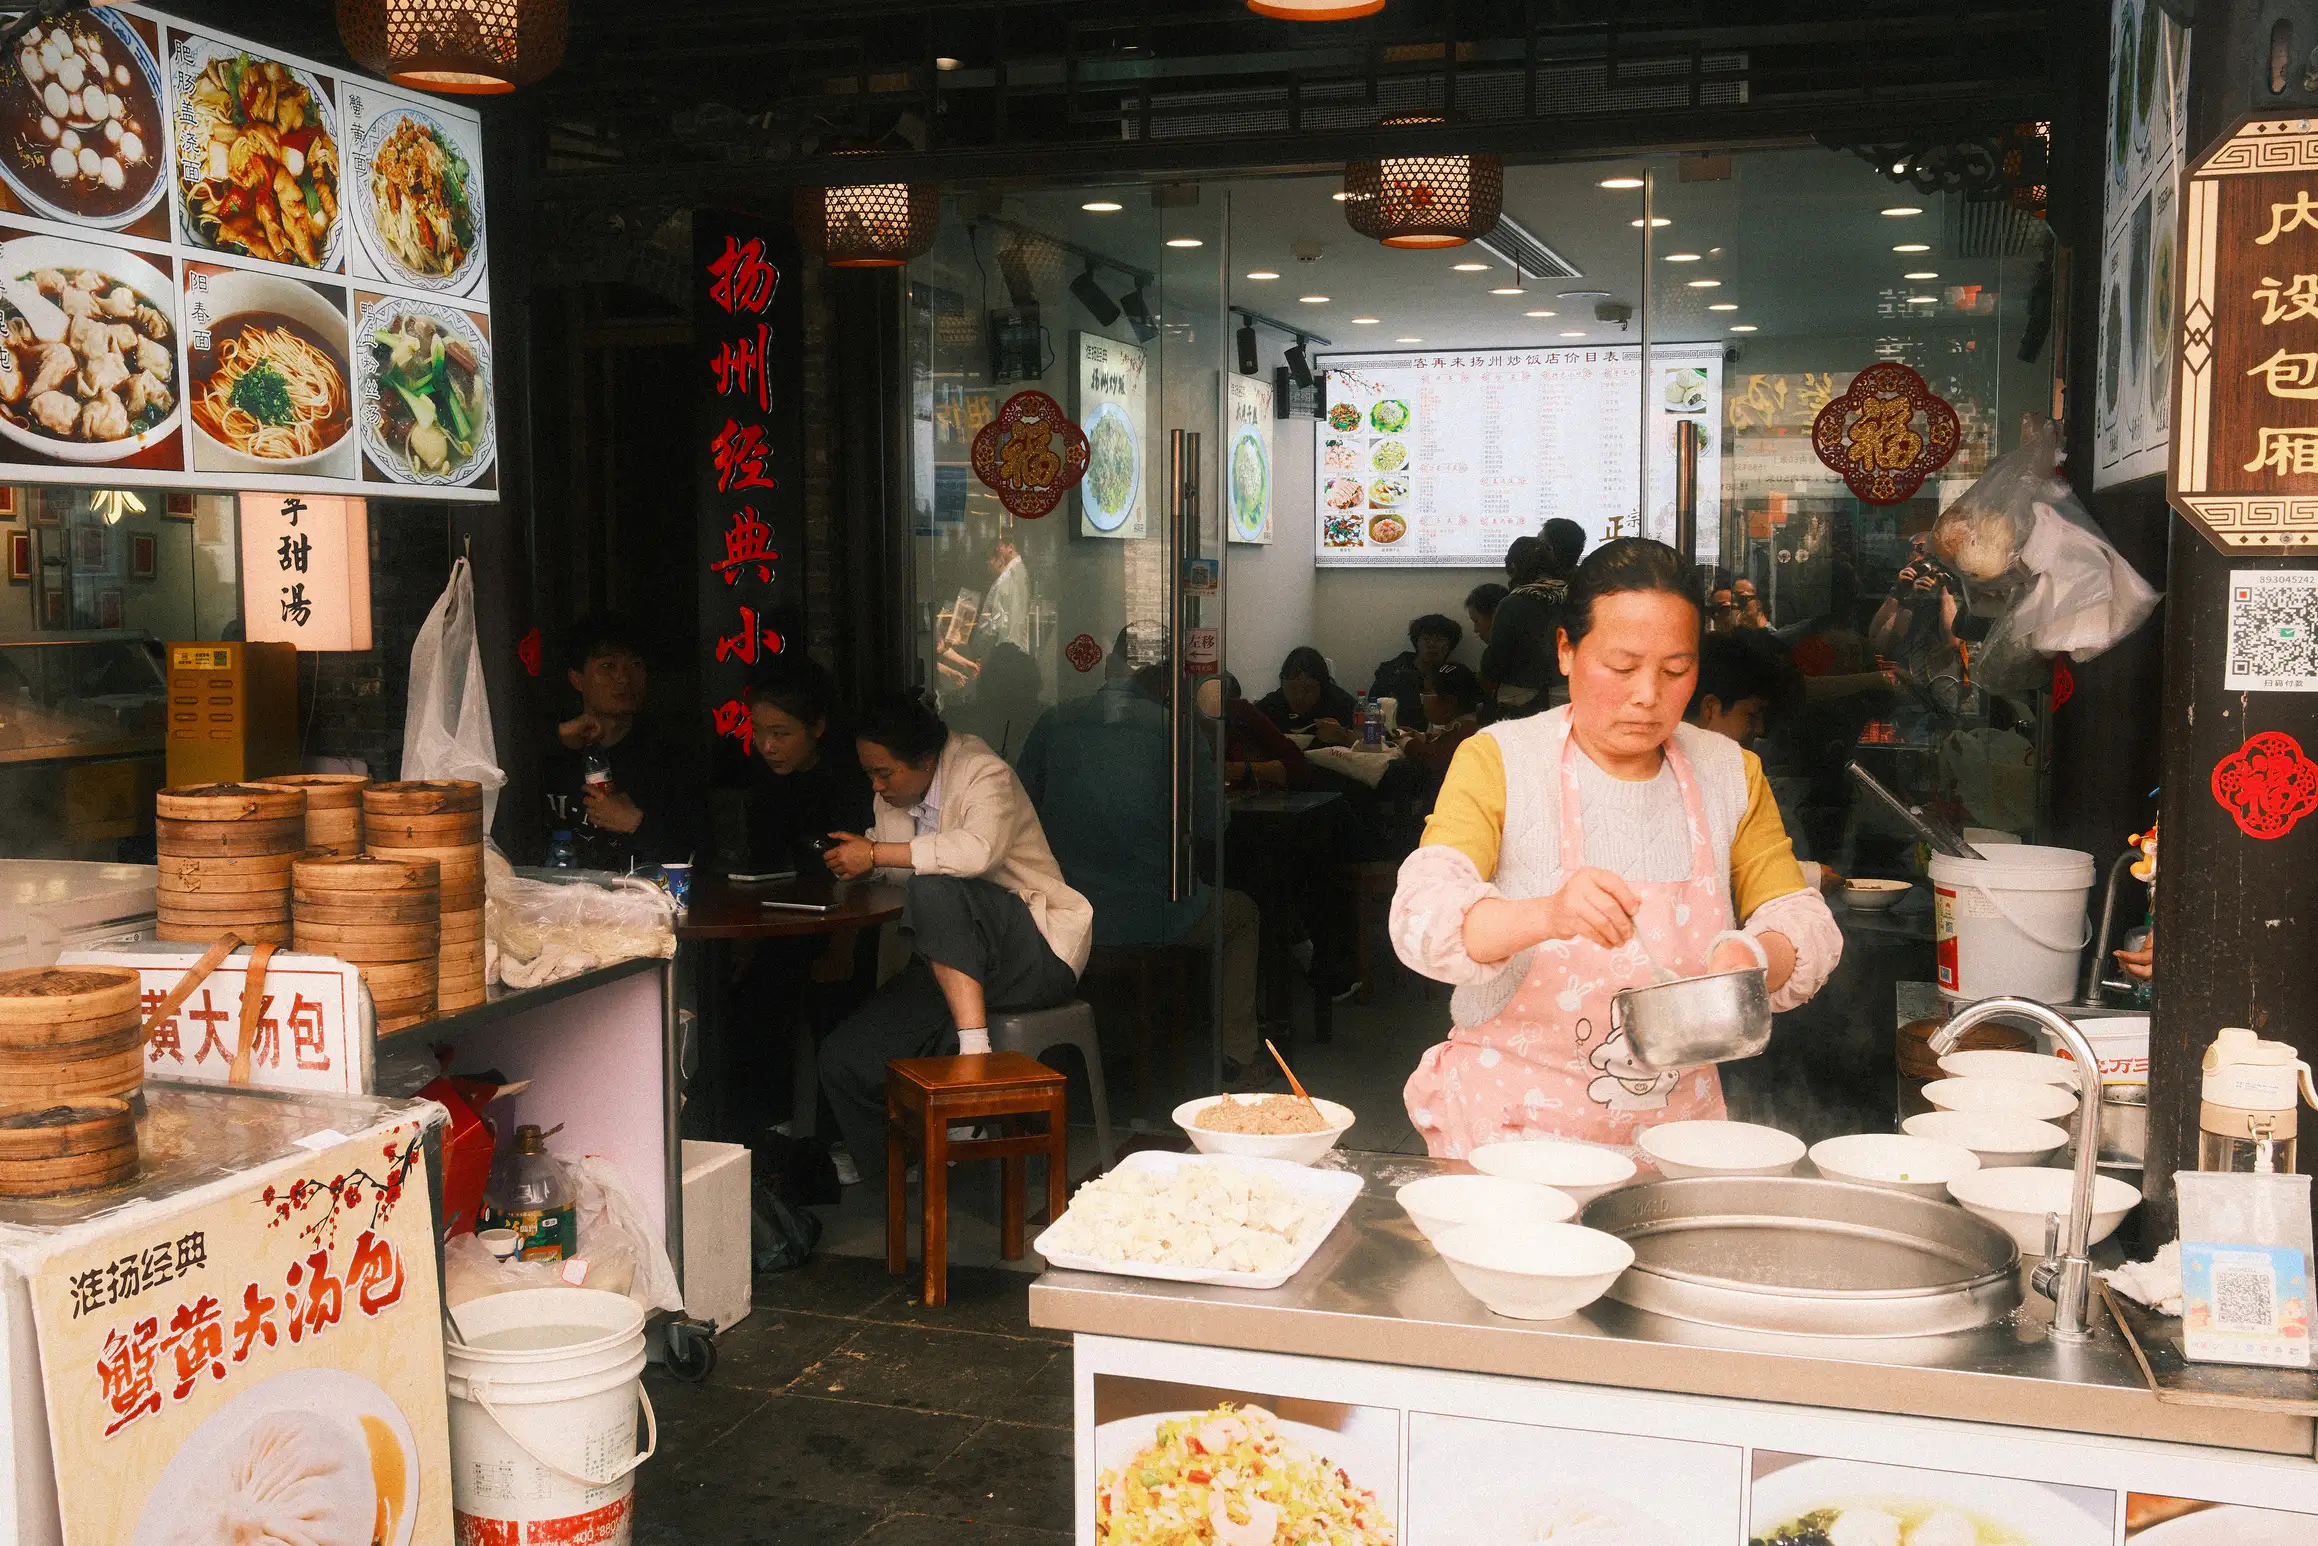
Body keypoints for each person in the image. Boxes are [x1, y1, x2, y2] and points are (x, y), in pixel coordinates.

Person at [1390, 538, 1844, 1159]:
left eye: (1677, 670)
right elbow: (1423, 914)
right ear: (1566, 651)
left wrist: (1753, 958)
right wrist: (1544, 915)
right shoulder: (1500, 760)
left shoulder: (1730, 772)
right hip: (1511, 1132)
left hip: (1676, 1136)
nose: (1647, 695)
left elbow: (1803, 920)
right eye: (1622, 667)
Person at [817, 694, 1093, 1188]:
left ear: (926, 761)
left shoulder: (985, 773)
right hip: (951, 964)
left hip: (1031, 952)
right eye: (870, 775)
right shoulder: (891, 796)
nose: (877, 787)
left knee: (936, 886)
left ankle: (974, 1053)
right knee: (845, 1058)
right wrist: (856, 866)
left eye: (885, 773)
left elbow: (973, 854)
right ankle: (903, 1185)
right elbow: (904, 875)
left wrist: (878, 852)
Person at [1018, 665, 1265, 1083]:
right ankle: (1237, 1055)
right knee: (1241, 914)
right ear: (1168, 683)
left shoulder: (1055, 719)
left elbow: (1021, 807)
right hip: (1152, 911)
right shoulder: (1174, 730)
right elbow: (1211, 825)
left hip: (1065, 913)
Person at [725, 659, 877, 1147]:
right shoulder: (766, 783)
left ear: (817, 727)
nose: (767, 745)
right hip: (789, 923)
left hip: (850, 922)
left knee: (838, 1014)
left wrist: (843, 947)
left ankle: (841, 1143)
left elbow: (861, 877)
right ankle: (769, 1129)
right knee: (749, 999)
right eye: (759, 731)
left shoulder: (851, 785)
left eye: (781, 733)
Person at [545, 614, 700, 870]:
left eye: (635, 665)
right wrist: (556, 737)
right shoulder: (548, 749)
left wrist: (634, 822)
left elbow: (695, 852)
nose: (624, 679)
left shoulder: (668, 754)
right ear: (577, 678)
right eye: (607, 666)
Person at [1201, 672, 1312, 789]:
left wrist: (1240, 770)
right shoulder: (1184, 724)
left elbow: (1298, 765)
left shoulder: (1239, 711)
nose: (1299, 696)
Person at [1371, 614, 1481, 727]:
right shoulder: (1394, 672)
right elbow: (1372, 708)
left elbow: (1473, 711)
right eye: (1426, 639)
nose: (1432, 644)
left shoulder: (1457, 675)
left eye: (1439, 639)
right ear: (1417, 642)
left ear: (1450, 645)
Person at [1256, 646, 1360, 745]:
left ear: (1323, 686)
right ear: (1282, 683)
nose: (1299, 696)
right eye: (1292, 688)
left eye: (1308, 689)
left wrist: (1344, 737)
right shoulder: (1272, 705)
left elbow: (1368, 744)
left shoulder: (1341, 703)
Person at [980, 533, 1032, 653]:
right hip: (1006, 642)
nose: (999, 550)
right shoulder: (1011, 572)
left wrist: (1011, 648)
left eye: (1001, 546)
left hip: (1010, 645)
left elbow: (1015, 614)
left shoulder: (1015, 573)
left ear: (1010, 547)